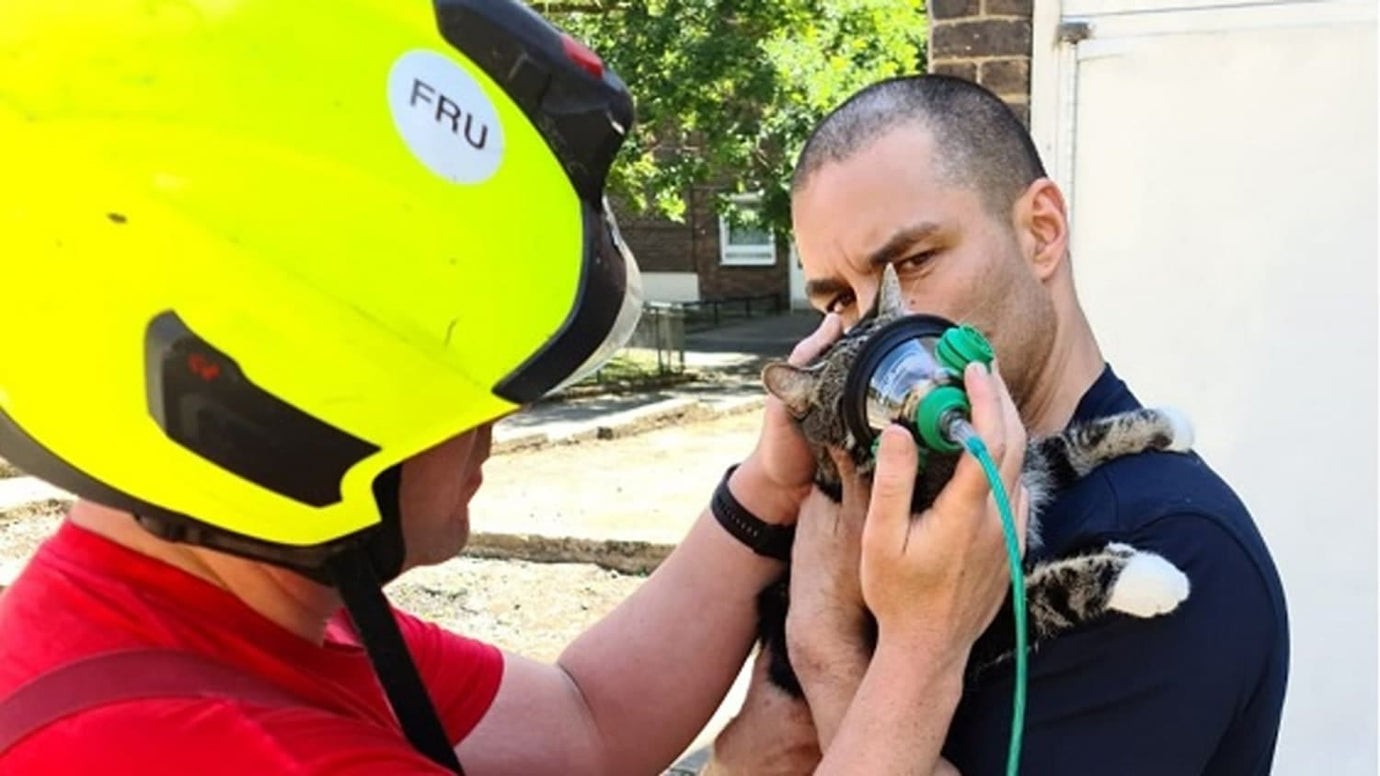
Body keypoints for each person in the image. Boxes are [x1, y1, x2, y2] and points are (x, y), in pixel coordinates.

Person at [0, 5, 1029, 775]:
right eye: (457, 378)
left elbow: (586, 719)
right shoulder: (197, 747)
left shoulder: (237, 607)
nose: (499, 414)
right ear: (279, 413)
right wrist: (923, 652)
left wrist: (768, 482)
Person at [707, 74, 1290, 775]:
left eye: (911, 262)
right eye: (837, 301)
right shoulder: (866, 497)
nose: (875, 332)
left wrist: (827, 650)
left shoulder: (1169, 542)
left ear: (1040, 233)